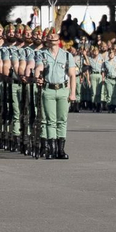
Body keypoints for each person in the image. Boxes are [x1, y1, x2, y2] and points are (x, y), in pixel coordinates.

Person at [35, 28, 77, 159]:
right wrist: (38, 76)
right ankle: (51, 149)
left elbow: (72, 75)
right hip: (48, 89)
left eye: (55, 37)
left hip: (63, 89)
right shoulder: (42, 54)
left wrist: (73, 93)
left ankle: (61, 150)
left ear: (59, 41)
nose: (53, 39)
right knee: (50, 120)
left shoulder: (66, 55)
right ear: (47, 41)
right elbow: (39, 68)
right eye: (50, 37)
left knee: (62, 120)